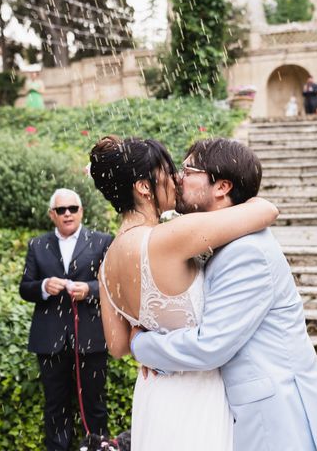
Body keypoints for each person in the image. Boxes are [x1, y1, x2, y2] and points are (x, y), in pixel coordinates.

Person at [130, 138, 317, 451]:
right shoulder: (227, 241)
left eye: (188, 170)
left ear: (222, 187)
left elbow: (211, 345)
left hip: (274, 417)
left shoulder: (246, 252)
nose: (177, 178)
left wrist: (142, 344)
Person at [90, 136, 281, 451]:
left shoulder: (106, 262)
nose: (176, 178)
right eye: (166, 171)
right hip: (197, 392)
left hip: (153, 395)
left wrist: (143, 331)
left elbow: (118, 346)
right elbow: (265, 210)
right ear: (143, 187)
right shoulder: (169, 237)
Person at [19, 189, 113, 451]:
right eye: (61, 210)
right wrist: (43, 286)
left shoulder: (103, 241)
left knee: (94, 404)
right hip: (50, 340)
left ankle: (99, 447)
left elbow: (114, 284)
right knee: (55, 406)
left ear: (81, 211)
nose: (67, 213)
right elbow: (25, 288)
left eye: (72, 208)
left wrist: (90, 290)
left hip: (91, 337)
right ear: (52, 215)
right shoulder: (37, 245)